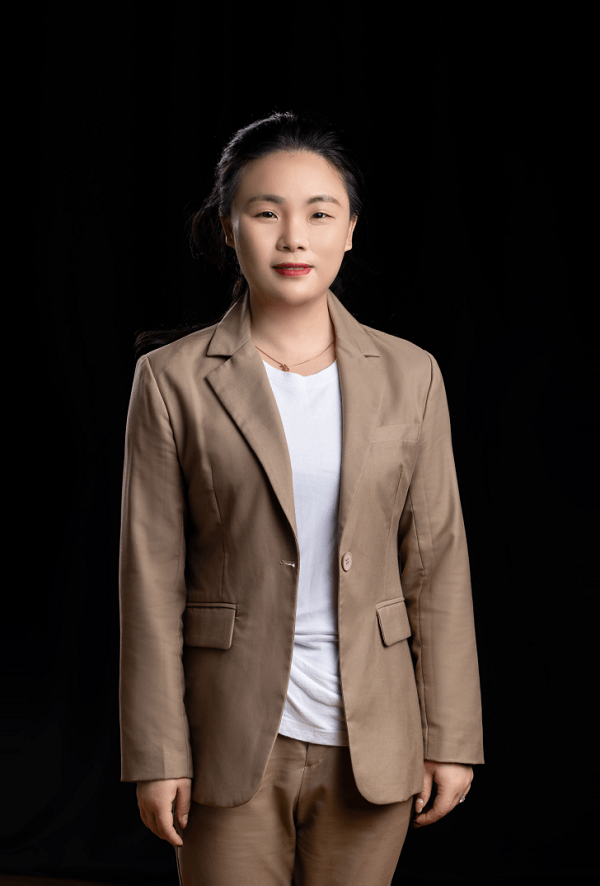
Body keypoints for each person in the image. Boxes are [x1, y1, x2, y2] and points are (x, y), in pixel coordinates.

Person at [118, 110, 484, 886]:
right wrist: (157, 752)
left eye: (319, 214)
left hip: (375, 739)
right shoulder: (172, 380)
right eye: (266, 213)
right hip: (227, 736)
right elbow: (148, 581)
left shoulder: (411, 374)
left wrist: (451, 735)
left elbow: (438, 564)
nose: (294, 238)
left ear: (349, 231)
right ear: (229, 229)